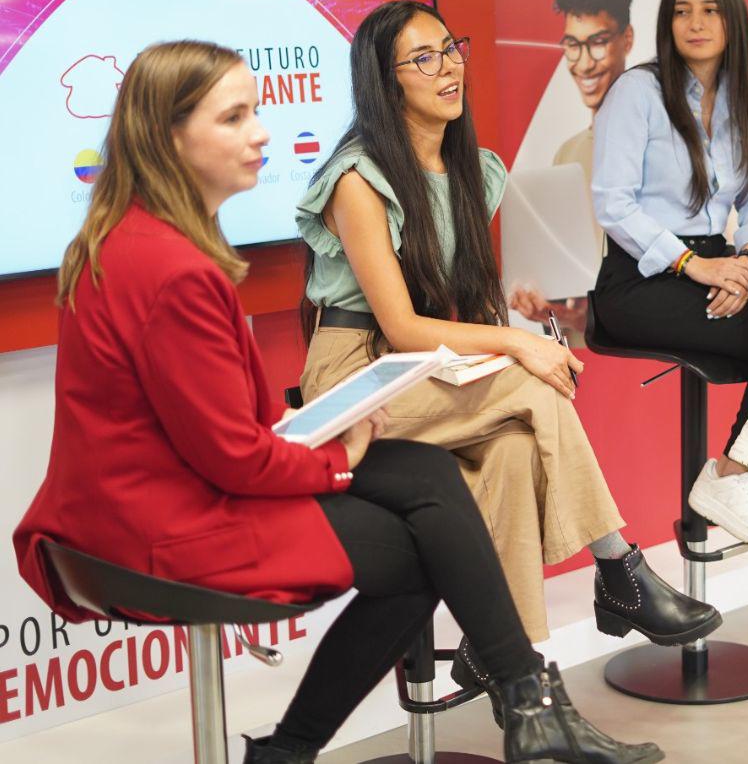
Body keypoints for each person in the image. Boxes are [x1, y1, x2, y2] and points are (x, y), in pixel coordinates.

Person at [11, 40, 662, 764]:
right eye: (234, 118)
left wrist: (325, 443)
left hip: (143, 496)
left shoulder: (128, 238)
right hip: (162, 522)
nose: (262, 132)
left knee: (429, 476)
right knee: (425, 548)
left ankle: (526, 706)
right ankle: (501, 710)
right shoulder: (172, 270)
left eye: (254, 110)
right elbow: (231, 458)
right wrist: (337, 457)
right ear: (169, 138)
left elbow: (208, 429)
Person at [296, 0, 720, 695]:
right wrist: (516, 351)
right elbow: (401, 325)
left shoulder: (472, 170)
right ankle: (621, 571)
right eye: (423, 58)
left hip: (424, 369)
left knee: (517, 448)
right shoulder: (357, 179)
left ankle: (510, 667)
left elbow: (466, 297)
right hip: (357, 377)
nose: (448, 68)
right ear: (385, 80)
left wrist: (527, 321)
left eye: (450, 47)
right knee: (531, 384)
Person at [591, 0, 748, 551]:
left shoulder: (744, 102)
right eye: (681, 11)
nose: (695, 23)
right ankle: (739, 468)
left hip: (720, 264)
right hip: (641, 280)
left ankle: (736, 467)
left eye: (710, 10)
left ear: (733, 22)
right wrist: (694, 266)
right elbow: (613, 204)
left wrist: (746, 265)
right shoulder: (637, 92)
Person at [509, 0, 635, 341]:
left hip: (644, 351)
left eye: (597, 43)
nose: (584, 63)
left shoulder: (663, 144)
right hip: (585, 350)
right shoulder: (569, 154)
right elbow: (566, 281)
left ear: (626, 39)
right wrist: (547, 305)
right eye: (572, 45)